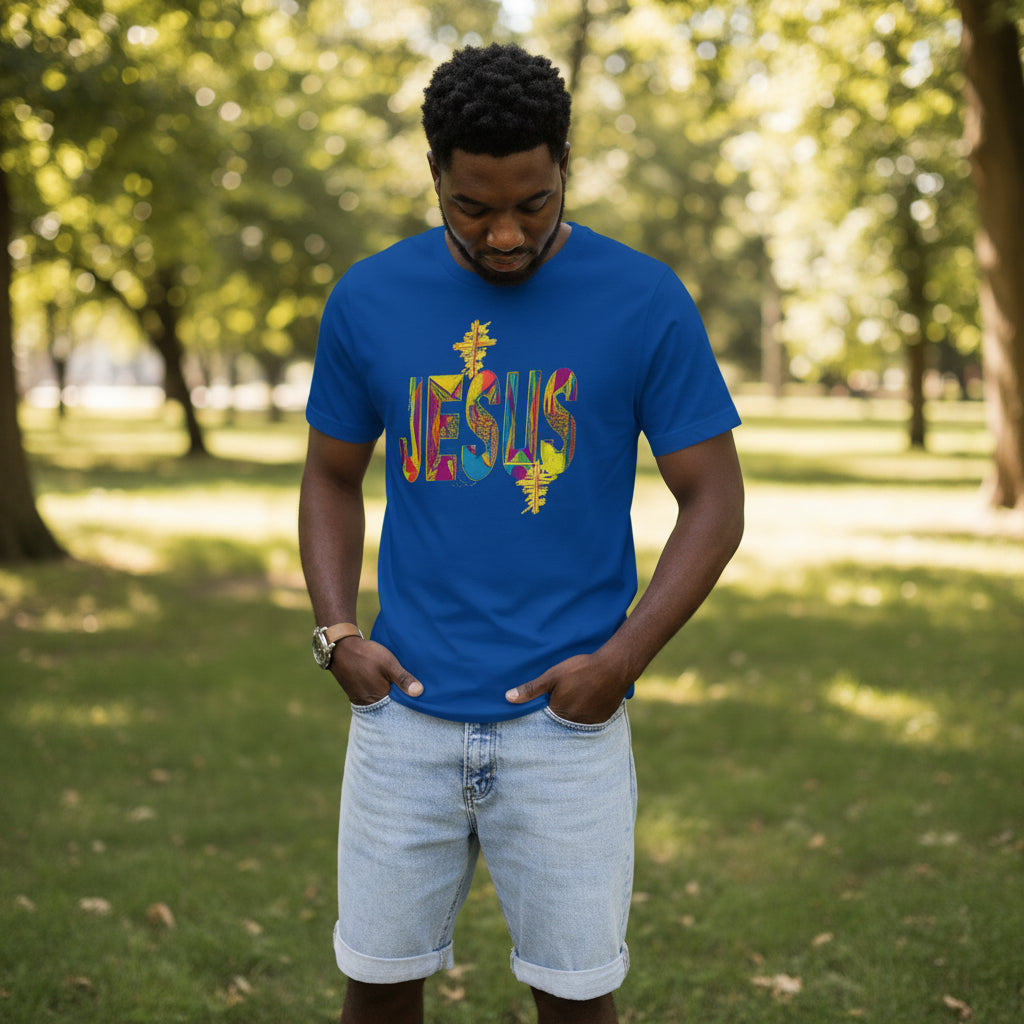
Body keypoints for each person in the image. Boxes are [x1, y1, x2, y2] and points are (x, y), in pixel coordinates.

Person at [298, 42, 745, 1024]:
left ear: (565, 166)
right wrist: (337, 633)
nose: (505, 234)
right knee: (376, 990)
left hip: (567, 727)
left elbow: (714, 498)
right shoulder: (368, 299)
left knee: (577, 1002)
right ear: (434, 176)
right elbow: (331, 475)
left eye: (533, 204)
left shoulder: (643, 298)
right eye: (473, 208)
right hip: (402, 718)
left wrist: (619, 660)